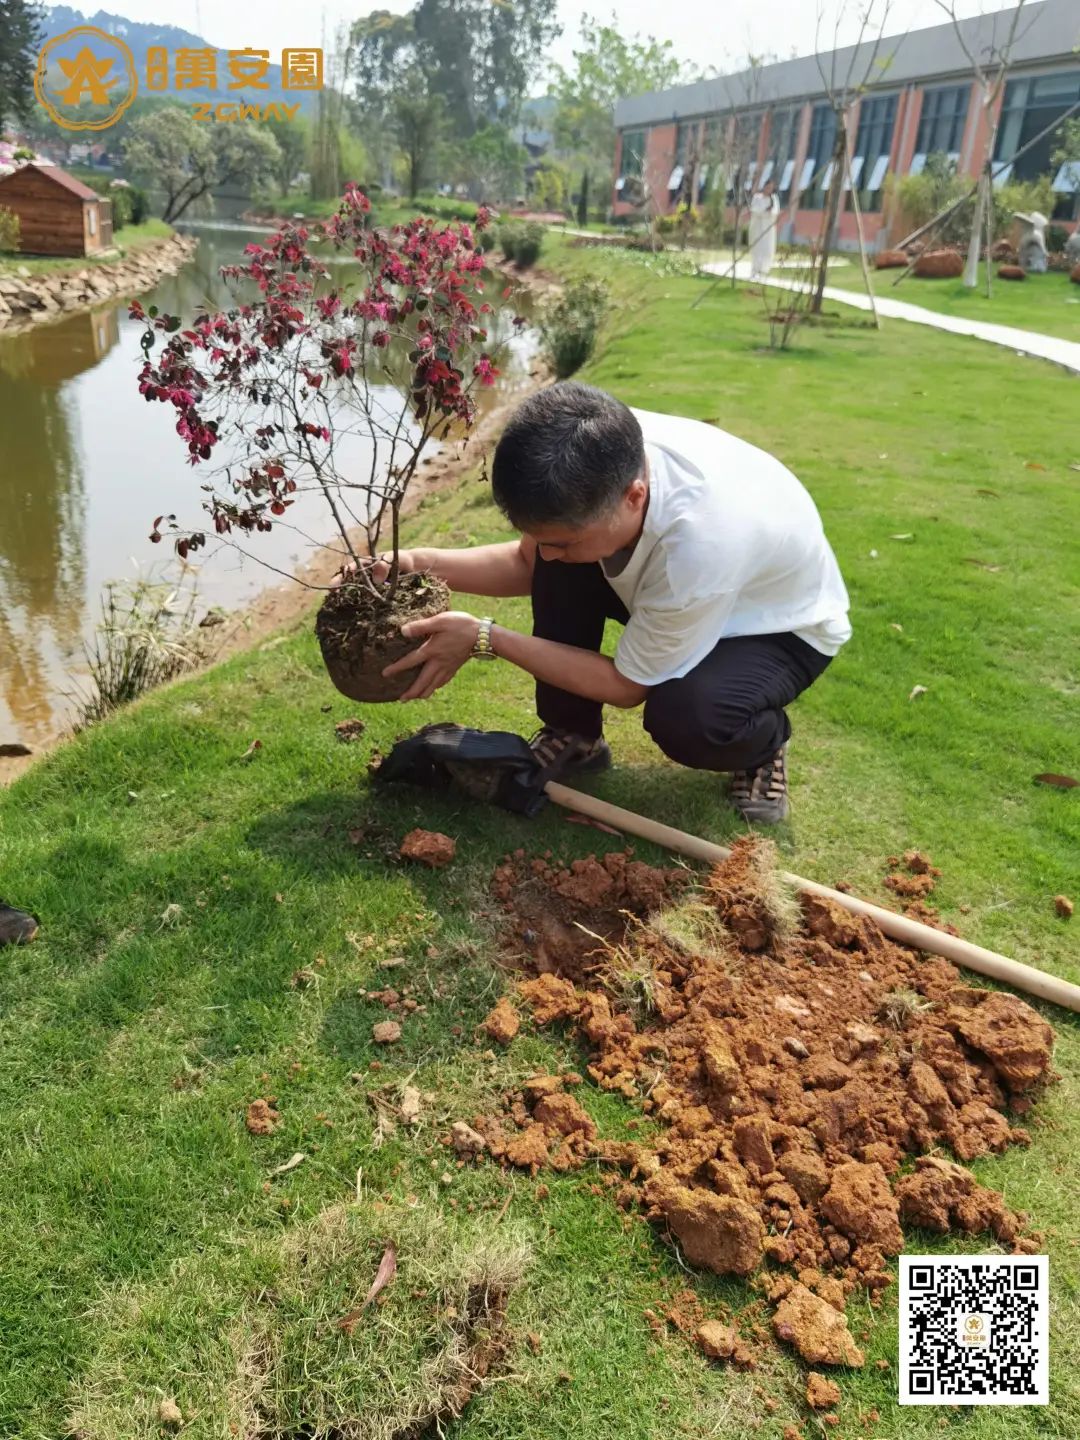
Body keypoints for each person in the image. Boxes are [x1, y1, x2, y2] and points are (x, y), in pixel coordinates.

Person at [354, 382, 851, 824]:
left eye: (562, 541)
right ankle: (575, 735)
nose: (545, 554)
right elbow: (529, 563)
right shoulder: (595, 453)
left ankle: (762, 745)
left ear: (634, 498)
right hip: (693, 589)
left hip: (774, 627)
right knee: (561, 567)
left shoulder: (702, 545)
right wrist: (416, 561)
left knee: (688, 716)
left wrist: (486, 638)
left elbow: (626, 685)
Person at [748, 179, 780, 281]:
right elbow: (754, 210)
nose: (769, 189)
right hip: (757, 227)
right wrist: (764, 212)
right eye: (767, 187)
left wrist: (767, 213)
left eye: (771, 188)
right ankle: (755, 270)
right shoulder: (757, 198)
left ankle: (764, 271)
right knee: (757, 249)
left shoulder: (774, 199)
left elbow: (774, 212)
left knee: (767, 249)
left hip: (768, 229)